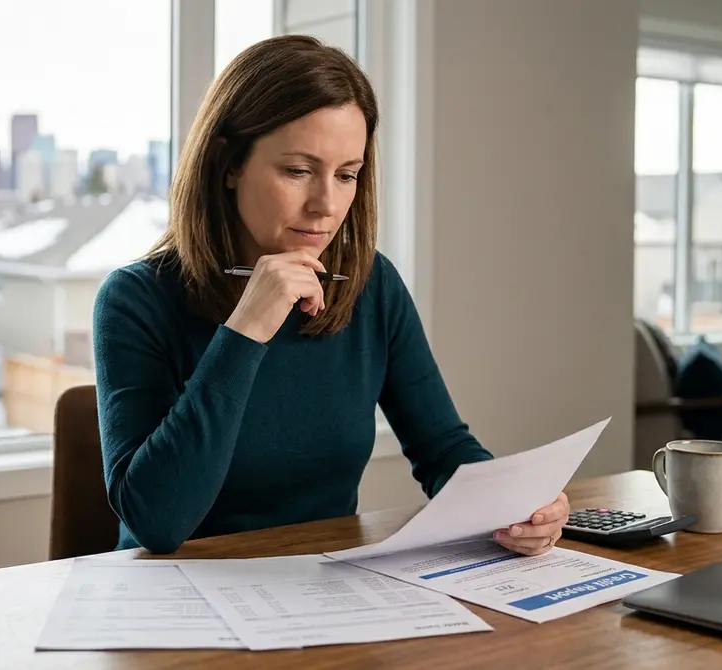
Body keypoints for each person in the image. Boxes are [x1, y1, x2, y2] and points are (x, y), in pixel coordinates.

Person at [92, 34, 569, 556]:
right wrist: (246, 329)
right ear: (228, 164)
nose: (326, 204)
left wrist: (518, 506)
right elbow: (157, 522)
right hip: (174, 601)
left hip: (324, 594)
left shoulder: (372, 284)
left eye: (347, 175)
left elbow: (443, 448)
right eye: (298, 171)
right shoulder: (134, 300)